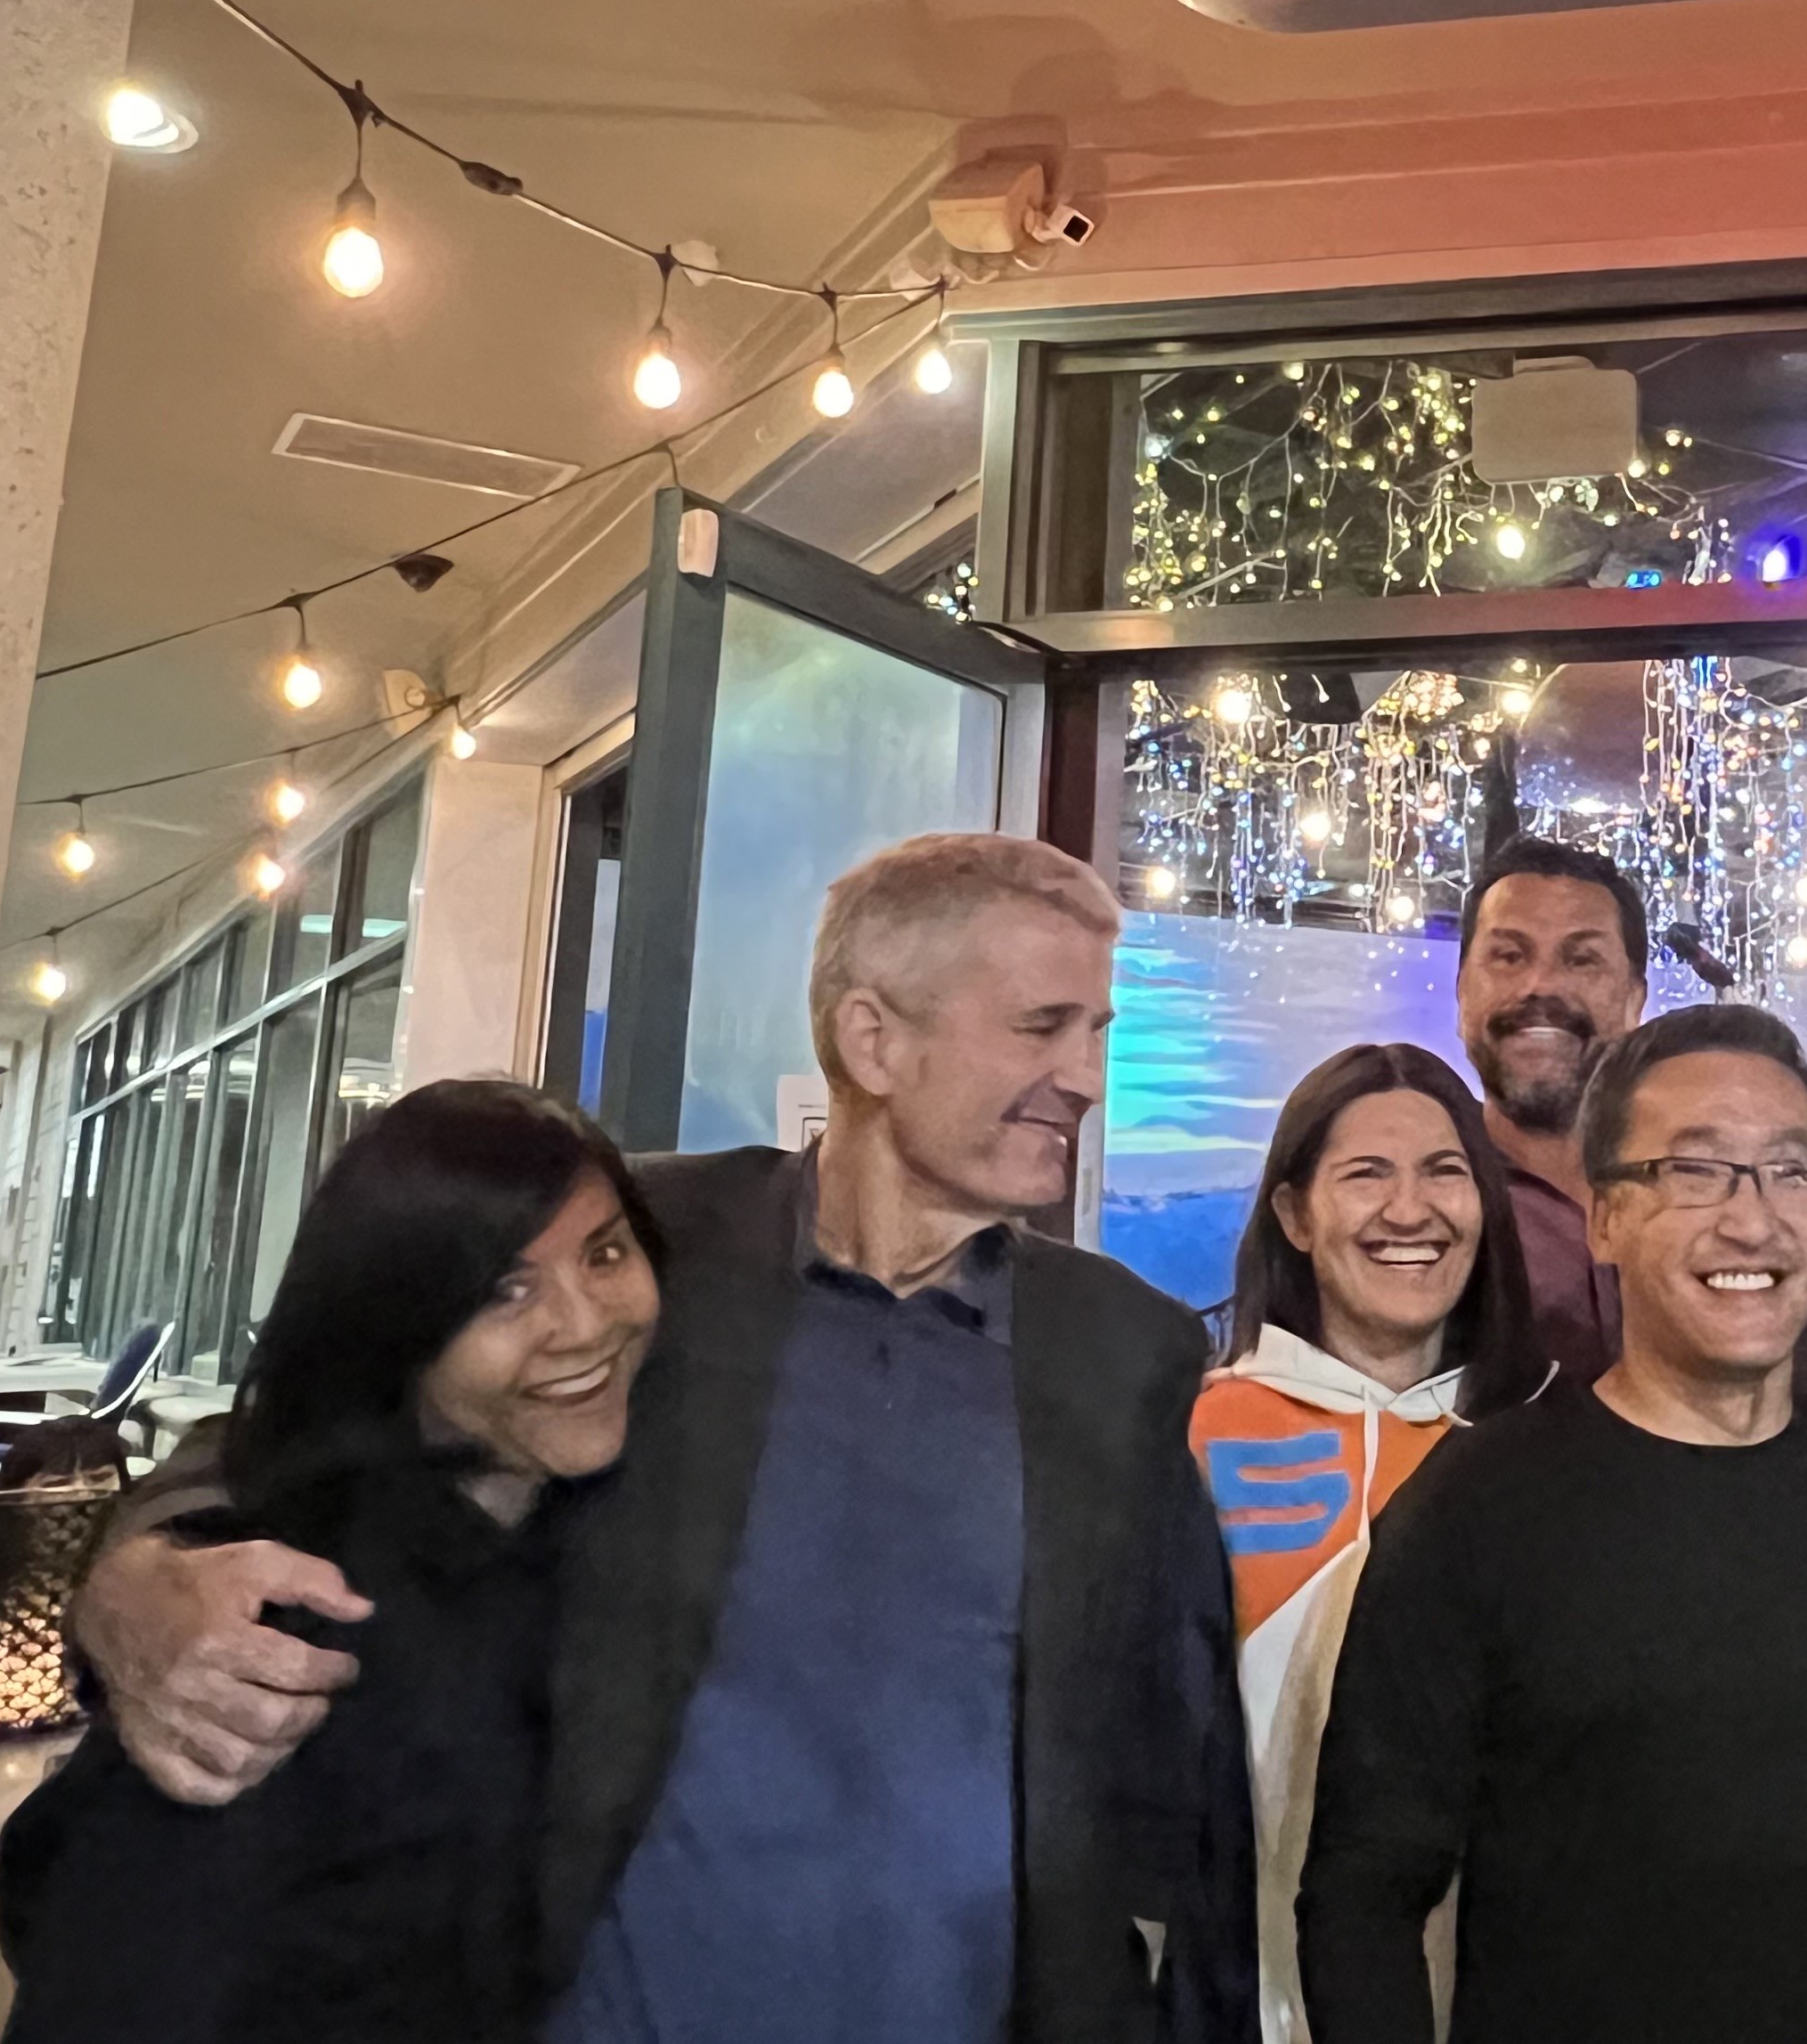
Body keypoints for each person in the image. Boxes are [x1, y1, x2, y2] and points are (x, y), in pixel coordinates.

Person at [72, 832, 1258, 2044]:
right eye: (1042, 1027)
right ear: (872, 1040)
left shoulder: (1124, 1349)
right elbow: (333, 1413)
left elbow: (1173, 1745)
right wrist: (142, 1571)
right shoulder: (638, 1252)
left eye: (1096, 1032)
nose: (1086, 1079)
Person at [1298, 1006, 1807, 2044]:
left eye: (1789, 1172)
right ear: (1605, 1219)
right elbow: (1364, 1890)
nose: (1752, 1221)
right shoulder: (1478, 1507)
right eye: (1696, 1171)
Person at [0, 1079, 664, 2044]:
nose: (586, 1323)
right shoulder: (286, 1628)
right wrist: (134, 1576)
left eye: (605, 1253)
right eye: (504, 1291)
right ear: (398, 1323)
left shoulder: (566, 1530)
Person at [1195, 1042, 1542, 2043]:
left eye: (1444, 1172)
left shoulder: (1546, 1452)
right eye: (1366, 1174)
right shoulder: (1193, 1436)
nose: (1409, 1210)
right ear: (1295, 1214)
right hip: (1236, 1985)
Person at [1452, 835, 1649, 1387]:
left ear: (1635, 1001)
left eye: (1582, 959)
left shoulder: (1696, 1191)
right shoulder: (1415, 1205)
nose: (1539, 986)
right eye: (1509, 956)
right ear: (1462, 992)